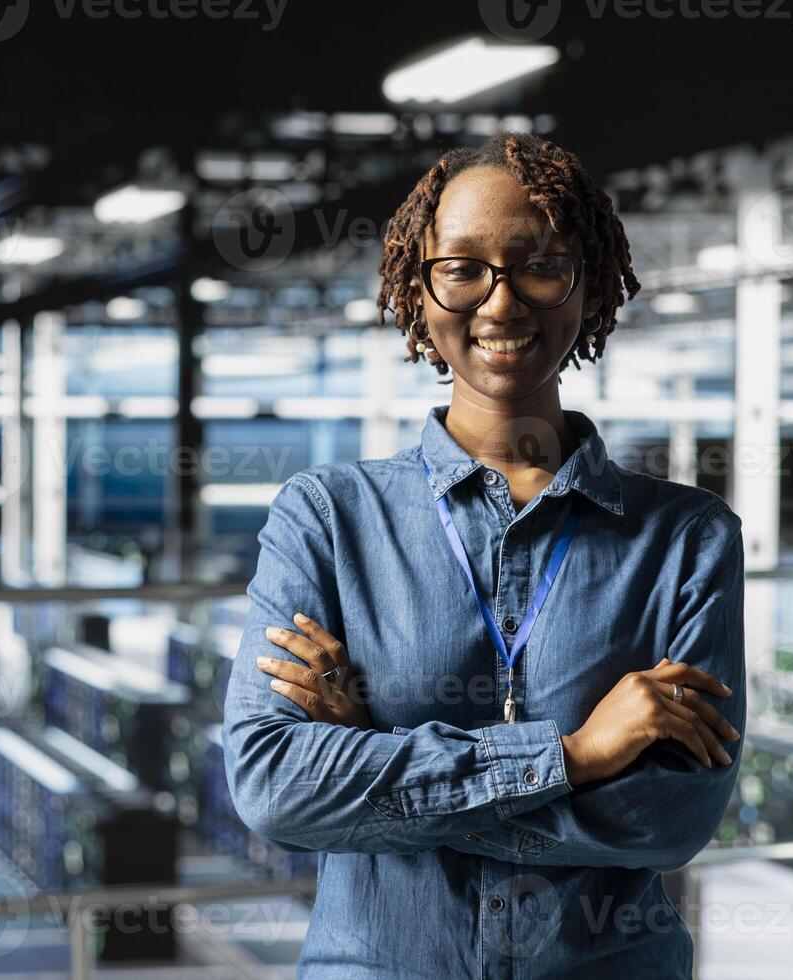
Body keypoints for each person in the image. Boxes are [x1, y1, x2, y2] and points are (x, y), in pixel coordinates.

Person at [222, 131, 746, 978]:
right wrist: (573, 757)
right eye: (462, 268)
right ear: (418, 288)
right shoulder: (325, 520)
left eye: (539, 264)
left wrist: (379, 769)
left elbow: (670, 817)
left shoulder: (687, 539)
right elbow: (277, 787)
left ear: (589, 281)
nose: (500, 305)